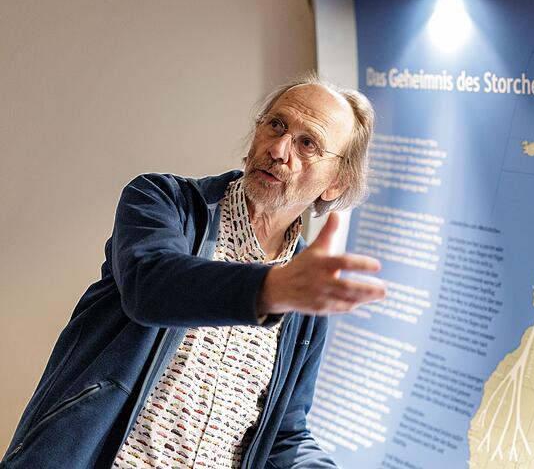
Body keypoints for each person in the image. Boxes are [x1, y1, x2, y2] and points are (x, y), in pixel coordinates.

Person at [1, 73, 386, 468]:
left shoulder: (304, 290)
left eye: (308, 144)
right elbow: (151, 285)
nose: (278, 149)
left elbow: (283, 435)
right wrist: (270, 289)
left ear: (335, 184)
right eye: (276, 125)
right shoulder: (164, 201)